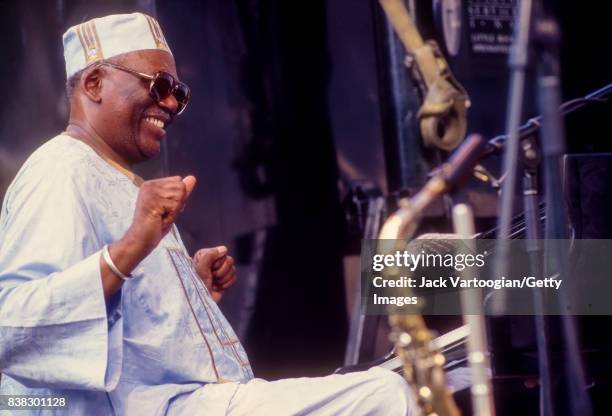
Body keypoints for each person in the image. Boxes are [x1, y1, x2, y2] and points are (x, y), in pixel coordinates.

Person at [0, 13, 416, 415]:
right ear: (93, 83)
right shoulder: (61, 169)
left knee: (401, 379)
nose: (169, 104)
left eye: (179, 94)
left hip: (187, 400)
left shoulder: (115, 177)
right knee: (386, 395)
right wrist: (131, 248)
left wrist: (187, 295)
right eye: (159, 85)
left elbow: (126, 325)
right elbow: (13, 327)